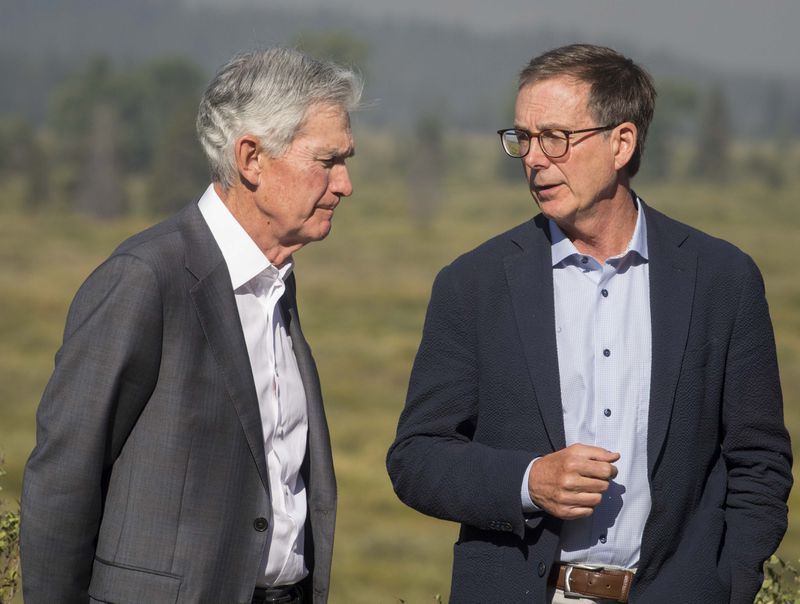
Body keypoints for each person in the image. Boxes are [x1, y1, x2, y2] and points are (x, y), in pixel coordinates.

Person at [386, 44, 792, 604]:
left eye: (556, 137)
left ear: (621, 142)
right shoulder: (473, 284)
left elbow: (759, 462)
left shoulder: (722, 278)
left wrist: (729, 582)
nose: (534, 158)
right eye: (523, 139)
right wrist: (529, 482)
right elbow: (416, 458)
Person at [21, 47, 362, 604]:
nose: (345, 184)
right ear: (251, 158)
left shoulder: (277, 281)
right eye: (327, 162)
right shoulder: (145, 279)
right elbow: (64, 477)